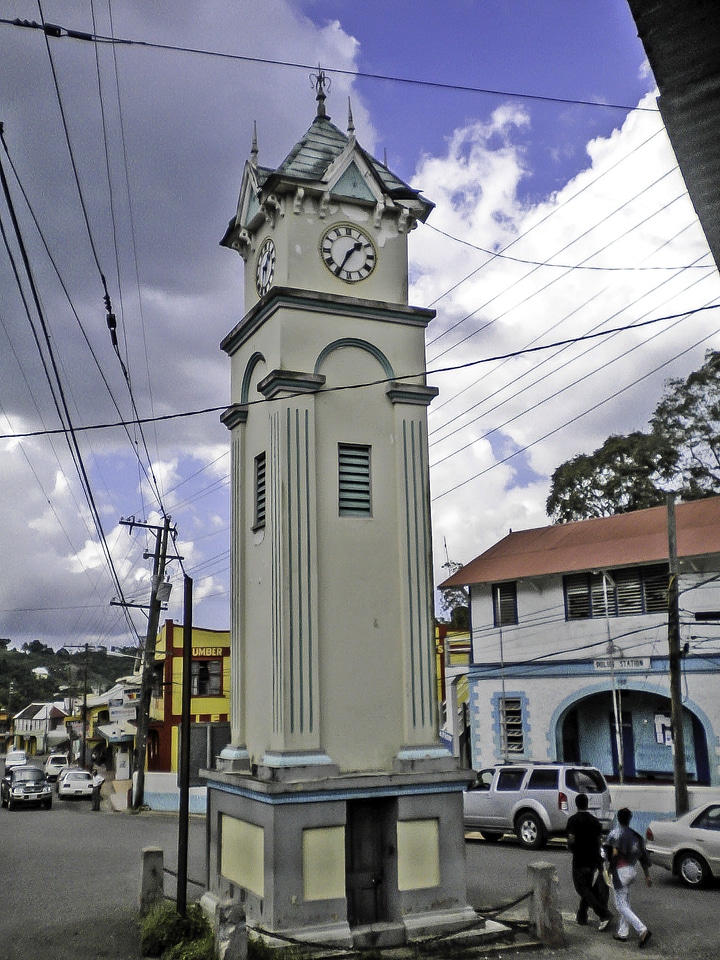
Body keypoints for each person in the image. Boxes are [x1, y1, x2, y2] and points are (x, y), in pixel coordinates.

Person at [606, 807, 652, 948]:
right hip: (632, 870)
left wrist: (608, 869)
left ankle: (642, 929)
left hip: (620, 872)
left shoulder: (615, 834)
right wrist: (647, 876)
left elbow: (611, 853)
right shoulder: (636, 836)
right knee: (626, 902)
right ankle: (622, 933)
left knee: (620, 905)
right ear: (629, 819)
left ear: (618, 818)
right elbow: (644, 858)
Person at [567, 793, 613, 930]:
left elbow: (571, 839)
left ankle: (604, 914)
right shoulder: (594, 821)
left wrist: (571, 847)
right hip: (592, 859)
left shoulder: (573, 821)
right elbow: (599, 841)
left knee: (582, 888)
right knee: (587, 887)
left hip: (580, 859)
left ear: (576, 804)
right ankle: (582, 915)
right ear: (587, 804)